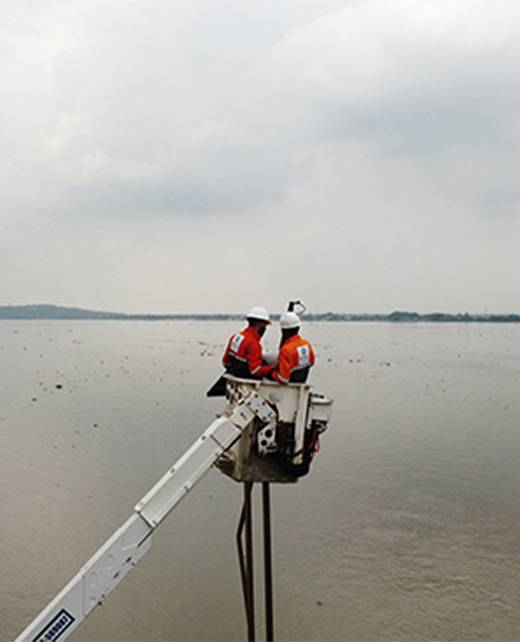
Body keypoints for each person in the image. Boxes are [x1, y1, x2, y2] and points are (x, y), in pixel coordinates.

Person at [222, 306, 274, 379]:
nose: (265, 329)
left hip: (234, 375)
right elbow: (255, 371)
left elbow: (225, 362)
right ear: (260, 324)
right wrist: (273, 367)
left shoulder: (235, 337)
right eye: (265, 326)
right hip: (246, 379)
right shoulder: (253, 344)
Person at [271, 312, 315, 384]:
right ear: (298, 328)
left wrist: (271, 373)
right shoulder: (307, 344)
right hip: (301, 382)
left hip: (288, 386)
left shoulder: (286, 350)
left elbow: (283, 379)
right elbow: (311, 362)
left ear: (283, 331)